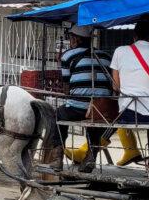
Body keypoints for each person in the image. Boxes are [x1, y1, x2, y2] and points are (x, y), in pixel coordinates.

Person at [55, 25, 142, 169]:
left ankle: (57, 156)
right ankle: (91, 156)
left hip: (79, 107)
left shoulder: (67, 56)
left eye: (71, 38)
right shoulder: (106, 56)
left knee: (58, 115)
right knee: (94, 119)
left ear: (75, 39)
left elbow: (66, 89)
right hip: (102, 108)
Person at [106, 18, 149, 172]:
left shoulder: (120, 51)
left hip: (126, 111)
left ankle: (91, 153)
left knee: (115, 121)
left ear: (134, 36)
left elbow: (115, 86)